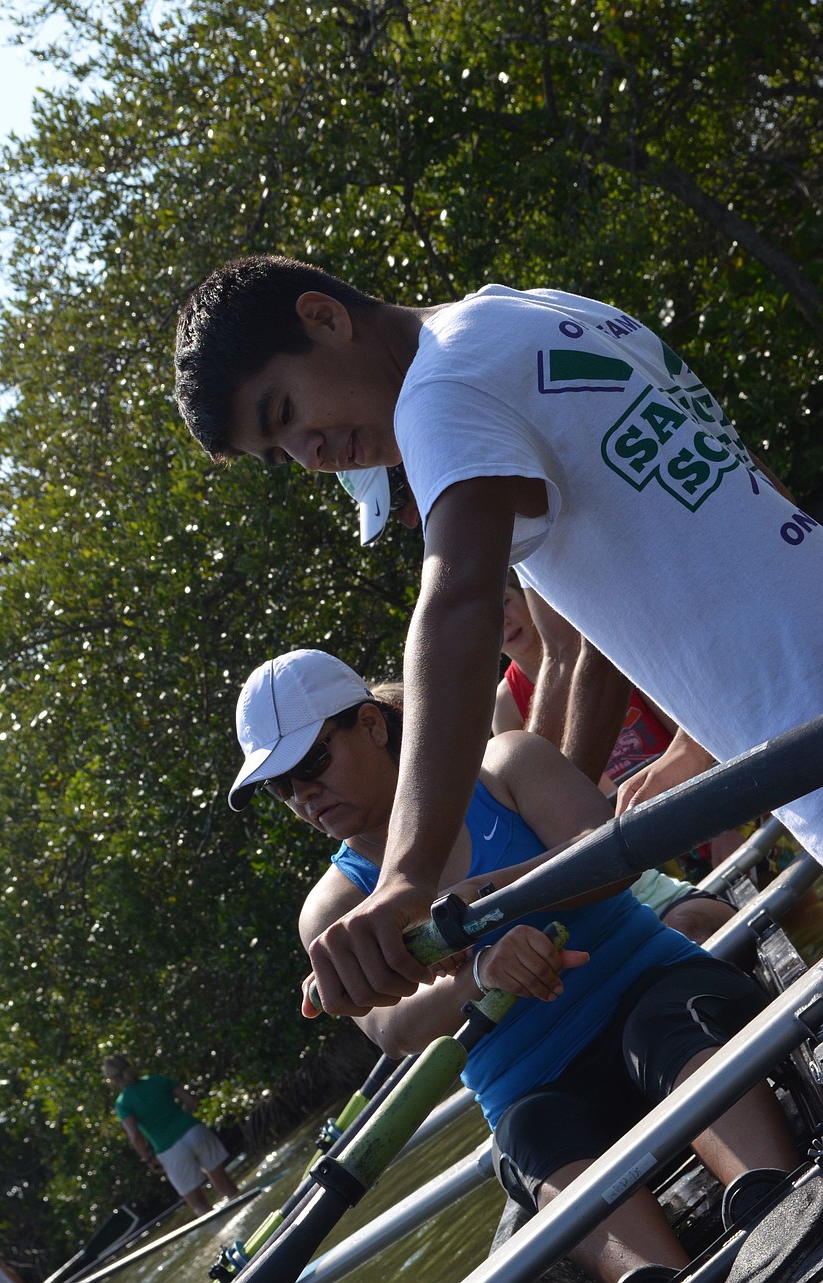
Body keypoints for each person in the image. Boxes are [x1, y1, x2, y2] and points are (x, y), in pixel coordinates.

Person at [175, 253, 823, 1014]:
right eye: (279, 454)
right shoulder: (540, 311)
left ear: (325, 317)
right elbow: (742, 482)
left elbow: (456, 608)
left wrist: (407, 879)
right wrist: (696, 742)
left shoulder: (437, 391)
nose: (308, 456)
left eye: (284, 413)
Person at [226, 647, 801, 1283]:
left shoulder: (504, 764)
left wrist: (481, 903)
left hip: (650, 990)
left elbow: (610, 856)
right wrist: (482, 974)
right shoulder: (331, 909)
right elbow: (391, 1030)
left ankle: (782, 1208)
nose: (303, 794)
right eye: (280, 786)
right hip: (534, 1090)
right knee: (533, 1130)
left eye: (312, 761)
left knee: (662, 1026)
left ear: (370, 724)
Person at [493, 575, 737, 945]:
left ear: (530, 599)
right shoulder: (506, 703)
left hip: (689, 792)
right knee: (694, 928)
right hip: (622, 833)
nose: (504, 620)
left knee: (788, 897)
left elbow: (679, 724)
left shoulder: (599, 644)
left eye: (507, 602)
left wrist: (721, 812)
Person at [102, 1054, 238, 1216]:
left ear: (111, 1079)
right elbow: (192, 1101)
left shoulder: (123, 1103)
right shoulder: (156, 1080)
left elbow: (135, 1135)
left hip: (169, 1149)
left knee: (200, 1205)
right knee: (227, 1187)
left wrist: (147, 1158)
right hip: (193, 1131)